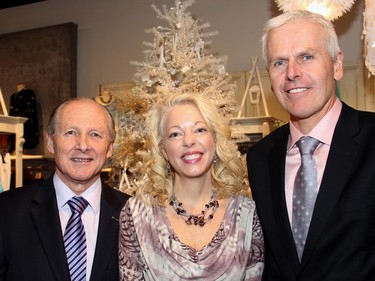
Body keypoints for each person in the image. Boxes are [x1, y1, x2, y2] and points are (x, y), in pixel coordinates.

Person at [246, 10, 375, 281]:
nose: (292, 73)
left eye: (306, 57)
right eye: (279, 62)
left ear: (337, 65)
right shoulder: (260, 157)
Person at [119, 93, 264, 280]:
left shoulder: (246, 214)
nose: (188, 141)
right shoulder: (137, 215)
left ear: (215, 140)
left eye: (200, 130)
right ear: (164, 150)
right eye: (175, 134)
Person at [0, 97, 130, 281]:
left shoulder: (134, 214)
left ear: (110, 148)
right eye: (70, 132)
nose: (83, 145)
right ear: (50, 142)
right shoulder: (7, 211)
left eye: (95, 134)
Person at [8, 82, 40, 153]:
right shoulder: (13, 96)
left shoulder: (28, 93)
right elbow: (11, 112)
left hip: (25, 125)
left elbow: (30, 112)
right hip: (14, 125)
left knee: (23, 138)